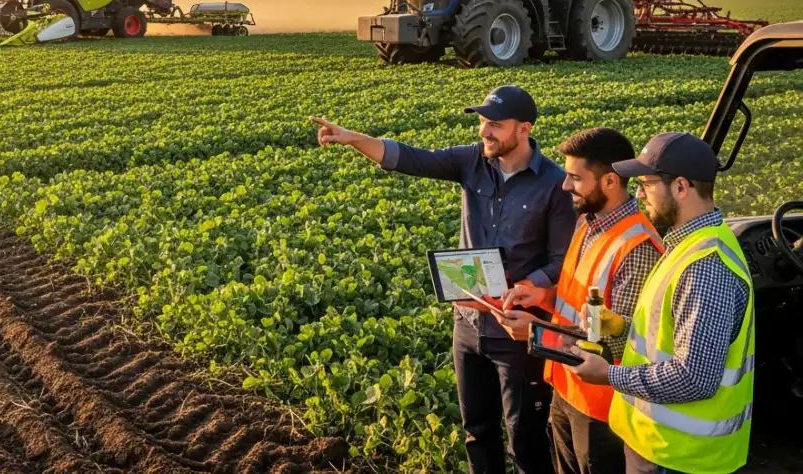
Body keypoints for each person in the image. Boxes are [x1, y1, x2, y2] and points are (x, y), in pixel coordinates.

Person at [313, 85, 575, 474]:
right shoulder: (471, 161)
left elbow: (561, 260)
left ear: (524, 129)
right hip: (468, 324)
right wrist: (354, 139)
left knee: (525, 436)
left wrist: (528, 285)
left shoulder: (555, 183)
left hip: (516, 328)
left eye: (495, 125)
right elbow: (411, 158)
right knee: (477, 430)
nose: (485, 132)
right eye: (483, 123)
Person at [567, 133, 755, 474]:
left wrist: (609, 374)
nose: (638, 195)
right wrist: (623, 325)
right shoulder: (688, 244)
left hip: (680, 458)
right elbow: (671, 334)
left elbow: (694, 378)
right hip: (659, 445)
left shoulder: (705, 267)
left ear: (681, 187)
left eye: (646, 184)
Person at [499, 128, 663, 474]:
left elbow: (617, 340)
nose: (564, 185)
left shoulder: (637, 247)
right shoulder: (588, 224)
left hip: (602, 405)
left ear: (609, 182)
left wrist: (536, 330)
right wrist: (544, 297)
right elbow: (582, 301)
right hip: (567, 387)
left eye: (575, 177)